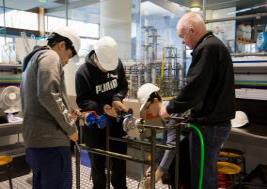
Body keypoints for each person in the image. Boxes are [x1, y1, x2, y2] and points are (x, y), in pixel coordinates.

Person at [160, 12, 235, 189]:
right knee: (206, 173)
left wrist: (170, 108)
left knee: (202, 179)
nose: (182, 41)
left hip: (209, 127)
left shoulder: (207, 48)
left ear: (191, 30)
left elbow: (194, 87)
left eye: (182, 36)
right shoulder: (215, 45)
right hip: (216, 124)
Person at [21, 26, 81, 189]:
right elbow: (48, 94)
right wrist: (70, 128)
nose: (67, 61)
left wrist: (67, 112)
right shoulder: (50, 56)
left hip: (36, 141)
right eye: (69, 55)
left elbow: (42, 98)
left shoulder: (32, 60)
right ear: (62, 45)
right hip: (51, 143)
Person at [75, 36, 128, 189]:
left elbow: (123, 86)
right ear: (96, 57)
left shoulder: (117, 64)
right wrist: (103, 107)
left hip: (116, 123)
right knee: (98, 164)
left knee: (120, 161)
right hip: (95, 125)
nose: (108, 70)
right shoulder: (82, 72)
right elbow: (82, 101)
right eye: (105, 66)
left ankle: (120, 186)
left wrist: (117, 98)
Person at [137, 83, 190, 189]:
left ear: (155, 100)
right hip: (180, 155)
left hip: (187, 156)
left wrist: (157, 175)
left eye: (147, 107)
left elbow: (171, 147)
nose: (148, 111)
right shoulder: (164, 113)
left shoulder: (171, 112)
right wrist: (154, 165)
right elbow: (165, 142)